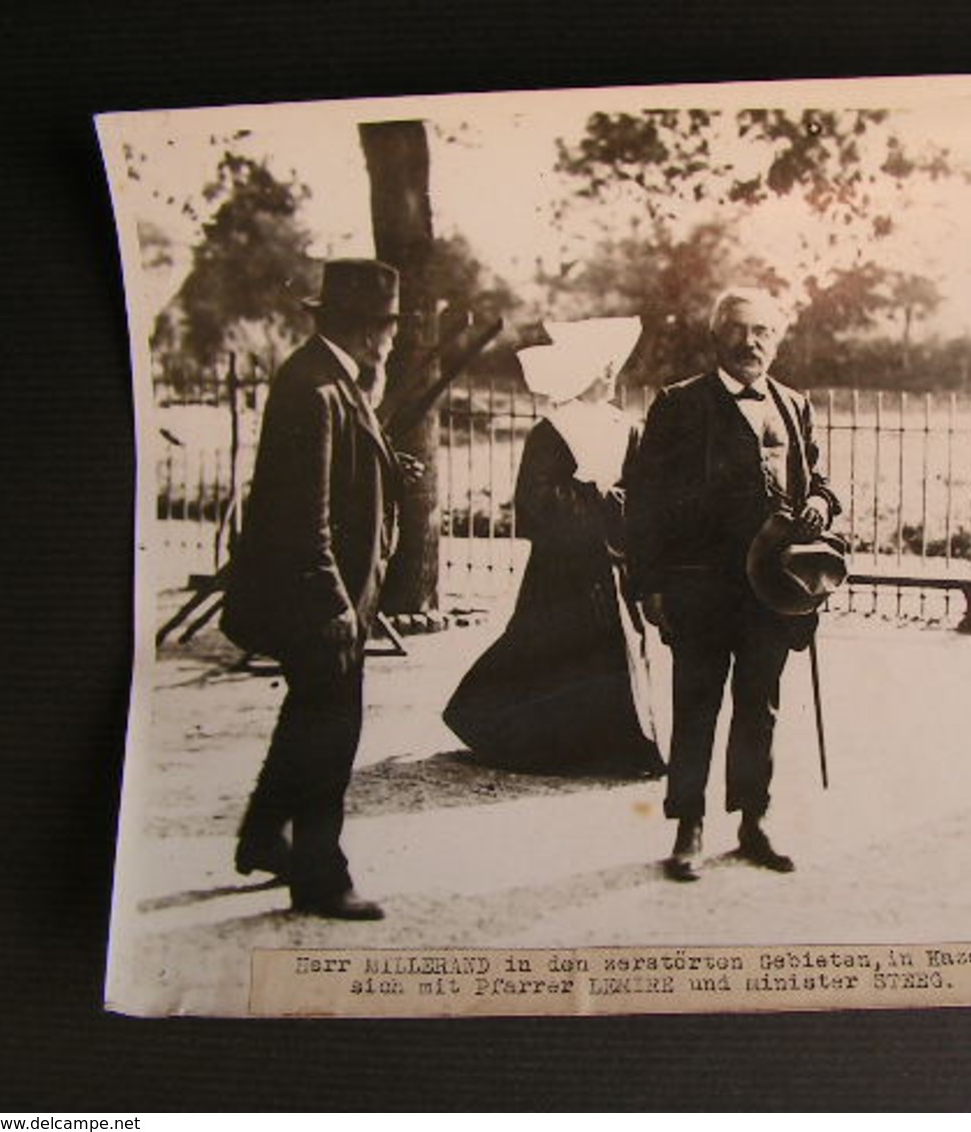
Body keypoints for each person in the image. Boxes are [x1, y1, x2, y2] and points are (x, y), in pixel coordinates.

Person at [627, 288, 841, 880]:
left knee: (759, 707)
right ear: (717, 337)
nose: (752, 343)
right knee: (696, 704)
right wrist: (649, 585)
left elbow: (817, 480)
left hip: (773, 590)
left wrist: (821, 503)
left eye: (764, 332)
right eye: (741, 331)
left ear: (778, 340)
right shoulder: (678, 405)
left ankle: (753, 821)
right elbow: (644, 503)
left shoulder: (795, 405)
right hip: (699, 587)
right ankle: (687, 825)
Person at [220, 258, 403, 919]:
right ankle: (321, 878)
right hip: (319, 601)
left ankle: (265, 836)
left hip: (327, 596)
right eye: (389, 327)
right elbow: (304, 516)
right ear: (366, 329)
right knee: (329, 731)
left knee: (307, 717)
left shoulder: (335, 381)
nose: (392, 340)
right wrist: (332, 604)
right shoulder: (315, 388)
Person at [441, 318, 665, 778]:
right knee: (552, 647)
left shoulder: (626, 427)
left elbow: (641, 492)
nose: (609, 375)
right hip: (564, 565)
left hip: (611, 560)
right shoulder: (552, 429)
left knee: (617, 648)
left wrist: (619, 508)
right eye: (599, 367)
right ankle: (543, 741)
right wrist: (592, 499)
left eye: (612, 366)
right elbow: (534, 501)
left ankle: (615, 743)